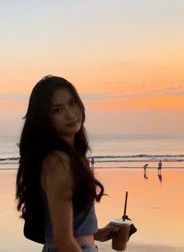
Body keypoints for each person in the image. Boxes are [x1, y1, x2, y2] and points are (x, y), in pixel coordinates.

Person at [16, 75, 119, 252]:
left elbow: (67, 228)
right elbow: (63, 241)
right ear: (44, 118)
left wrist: (100, 233)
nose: (70, 114)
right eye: (57, 110)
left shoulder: (69, 157)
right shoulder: (58, 162)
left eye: (72, 103)